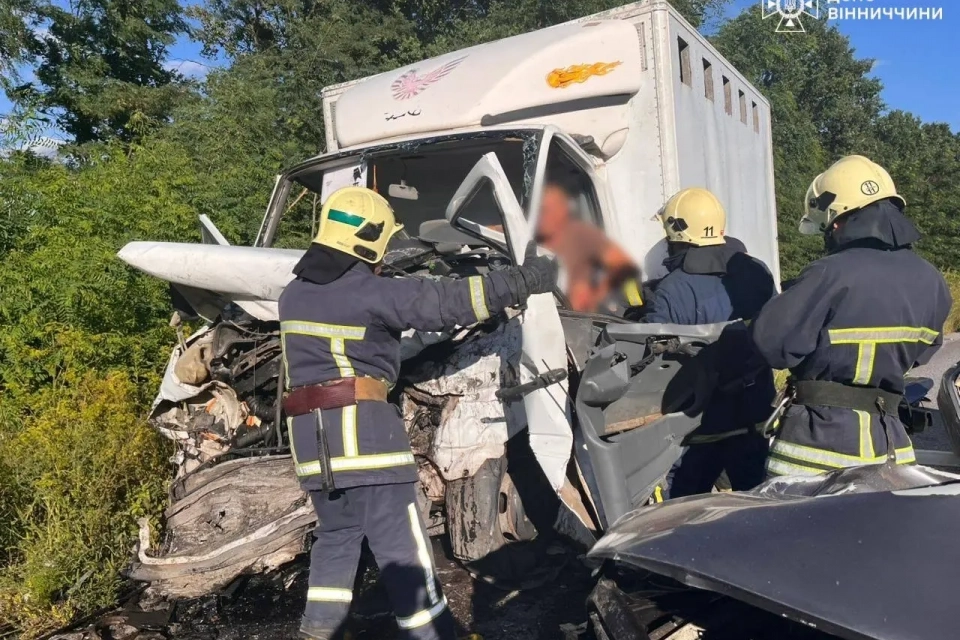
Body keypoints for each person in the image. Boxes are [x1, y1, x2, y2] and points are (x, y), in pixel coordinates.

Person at [278, 186, 557, 640]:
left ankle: (318, 631)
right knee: (404, 549)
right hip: (366, 443)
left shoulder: (294, 294)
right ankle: (435, 633)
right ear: (367, 239)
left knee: (336, 539)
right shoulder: (366, 291)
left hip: (314, 450)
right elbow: (444, 303)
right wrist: (524, 279)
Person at [753, 155, 951, 478]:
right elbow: (923, 352)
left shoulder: (827, 274)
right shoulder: (932, 282)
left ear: (838, 219)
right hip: (890, 453)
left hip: (814, 454)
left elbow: (769, 344)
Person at [645, 187, 776, 498]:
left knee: (682, 513)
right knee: (759, 506)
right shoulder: (758, 273)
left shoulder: (671, 290)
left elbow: (653, 363)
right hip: (754, 417)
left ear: (677, 232)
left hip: (698, 429)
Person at [535, 182, 639, 313]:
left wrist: (604, 298)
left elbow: (625, 270)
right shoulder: (533, 245)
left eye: (548, 210)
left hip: (587, 319)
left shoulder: (587, 238)